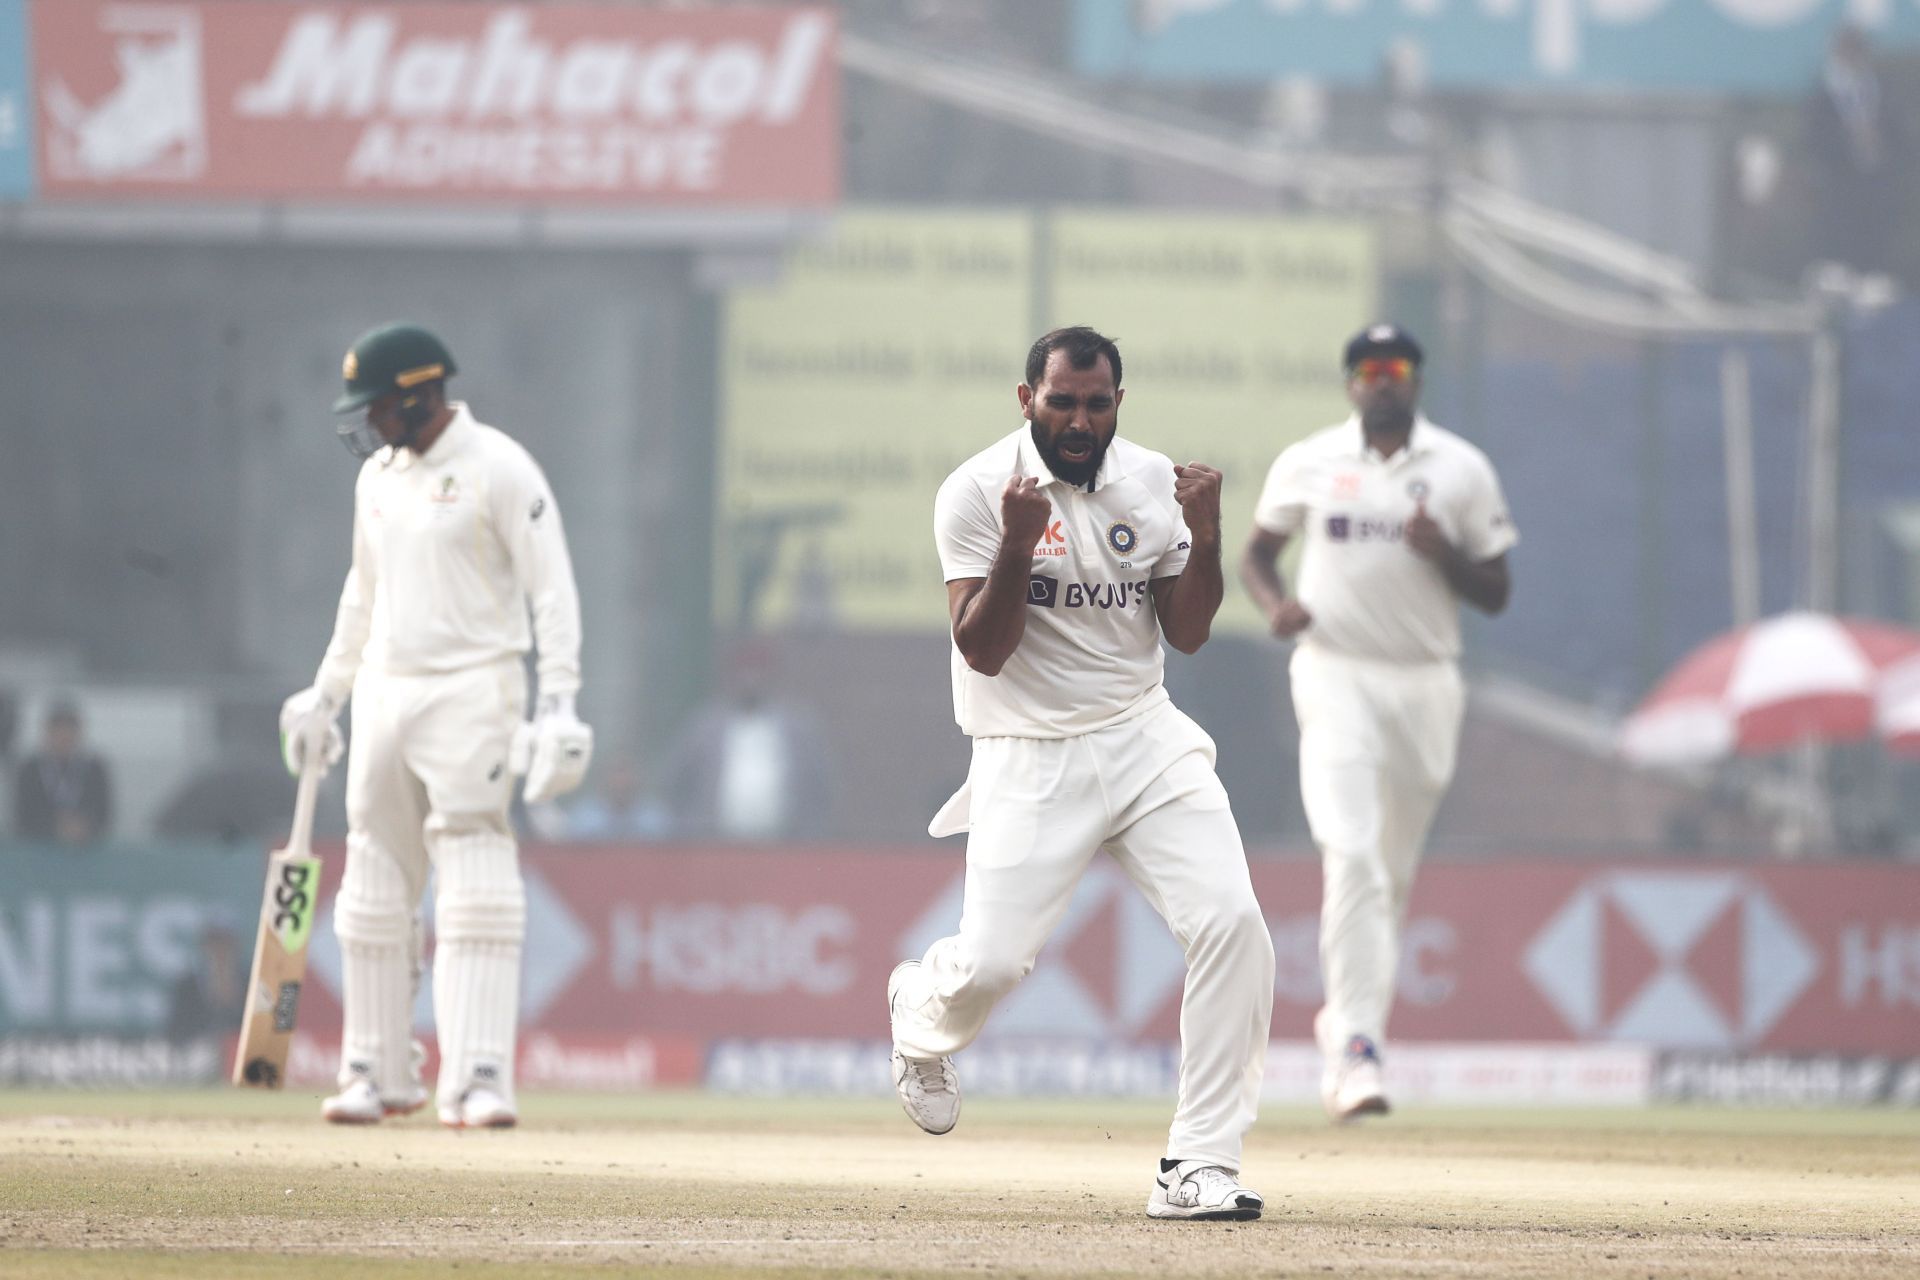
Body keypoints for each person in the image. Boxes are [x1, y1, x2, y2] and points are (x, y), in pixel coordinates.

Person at [890, 326, 1274, 1222]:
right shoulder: (979, 492)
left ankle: (1200, 1164)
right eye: (1061, 400)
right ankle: (917, 1012)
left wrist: (1207, 533)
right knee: (988, 966)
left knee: (1233, 924)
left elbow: (1187, 632)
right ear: (1026, 399)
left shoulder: (1150, 481)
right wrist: (1020, 545)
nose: (1078, 419)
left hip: (1144, 737)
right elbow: (982, 652)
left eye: (1095, 403)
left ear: (1117, 406)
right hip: (1028, 750)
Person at [279, 321, 593, 1129]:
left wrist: (558, 701)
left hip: (474, 688)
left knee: (475, 875)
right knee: (374, 882)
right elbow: (362, 594)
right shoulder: (378, 479)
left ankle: (479, 1077)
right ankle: (373, 1071)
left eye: (379, 407)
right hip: (386, 688)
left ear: (421, 395)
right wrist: (326, 694)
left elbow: (550, 591)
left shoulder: (499, 467)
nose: (371, 424)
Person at [1239, 323, 1515, 1123]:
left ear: (1417, 380)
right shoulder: (1311, 460)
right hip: (1334, 672)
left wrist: (1444, 556)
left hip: (1425, 683)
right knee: (1352, 854)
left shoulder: (1461, 470)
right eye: (1367, 368)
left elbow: (1497, 590)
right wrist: (1276, 606)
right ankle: (1357, 1047)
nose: (1381, 380)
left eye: (1395, 368)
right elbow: (1257, 555)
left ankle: (1348, 1021)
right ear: (1350, 382)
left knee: (1387, 878)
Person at [663, 639, 835, 842]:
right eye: (744, 671)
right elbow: (676, 781)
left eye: (758, 671)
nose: (750, 679)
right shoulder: (704, 728)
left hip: (784, 848)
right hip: (714, 848)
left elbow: (821, 786)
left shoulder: (799, 729)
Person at [14, 698, 113, 846]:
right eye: (58, 729)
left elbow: (104, 812)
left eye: (69, 729)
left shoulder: (94, 769)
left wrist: (85, 826)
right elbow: (23, 814)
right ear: (47, 732)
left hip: (84, 853)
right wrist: (55, 826)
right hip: (38, 852)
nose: (64, 735)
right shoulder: (30, 769)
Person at [566, 750, 672, 841]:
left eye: (626, 772)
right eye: (616, 772)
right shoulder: (584, 819)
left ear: (638, 777)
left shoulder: (654, 819)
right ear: (603, 777)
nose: (621, 781)